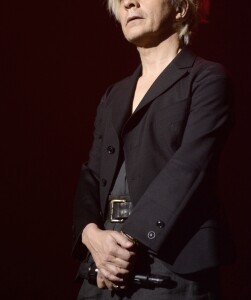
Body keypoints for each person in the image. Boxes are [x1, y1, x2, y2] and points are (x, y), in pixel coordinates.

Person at [73, 0, 231, 299]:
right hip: (103, 263)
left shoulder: (207, 79)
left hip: (168, 267)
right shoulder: (114, 94)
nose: (128, 3)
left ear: (181, 7)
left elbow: (189, 167)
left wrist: (122, 245)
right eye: (120, 1)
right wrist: (90, 235)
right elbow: (91, 175)